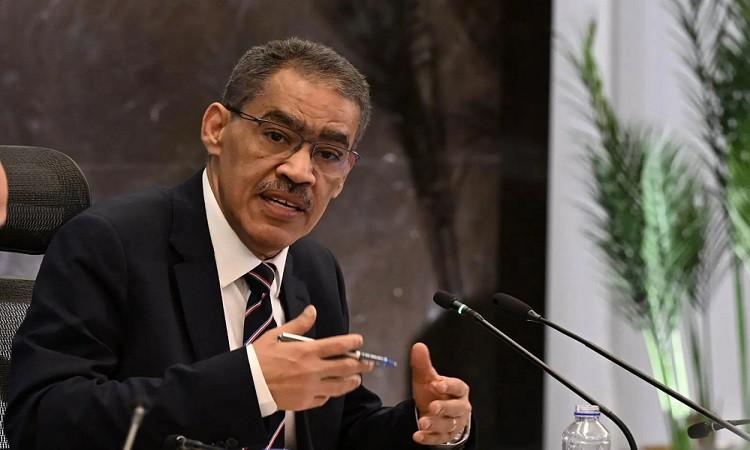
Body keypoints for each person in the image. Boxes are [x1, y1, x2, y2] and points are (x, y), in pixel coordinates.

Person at [6, 38, 474, 450]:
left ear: (345, 174)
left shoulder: (315, 268)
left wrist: (423, 426)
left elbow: (335, 429)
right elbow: (42, 418)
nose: (300, 172)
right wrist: (250, 384)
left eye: (328, 154)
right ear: (216, 129)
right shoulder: (111, 243)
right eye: (276, 135)